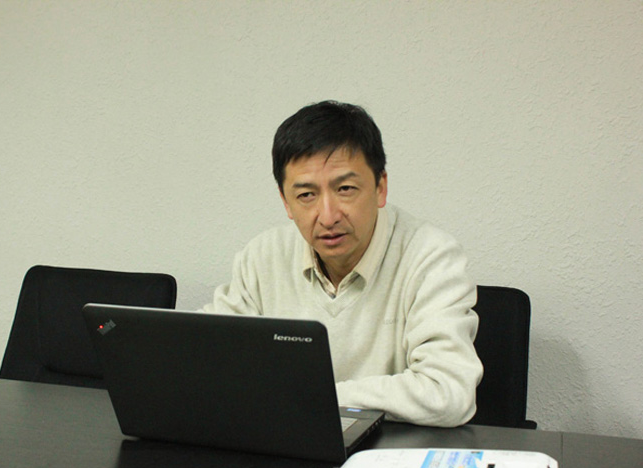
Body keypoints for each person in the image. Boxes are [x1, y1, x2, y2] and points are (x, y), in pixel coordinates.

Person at [203, 100, 483, 427]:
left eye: (345, 189)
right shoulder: (262, 256)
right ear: (286, 202)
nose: (328, 216)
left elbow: (447, 392)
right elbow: (208, 358)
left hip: (385, 450)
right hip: (288, 442)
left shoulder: (431, 256)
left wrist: (314, 397)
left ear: (380, 188)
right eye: (306, 195)